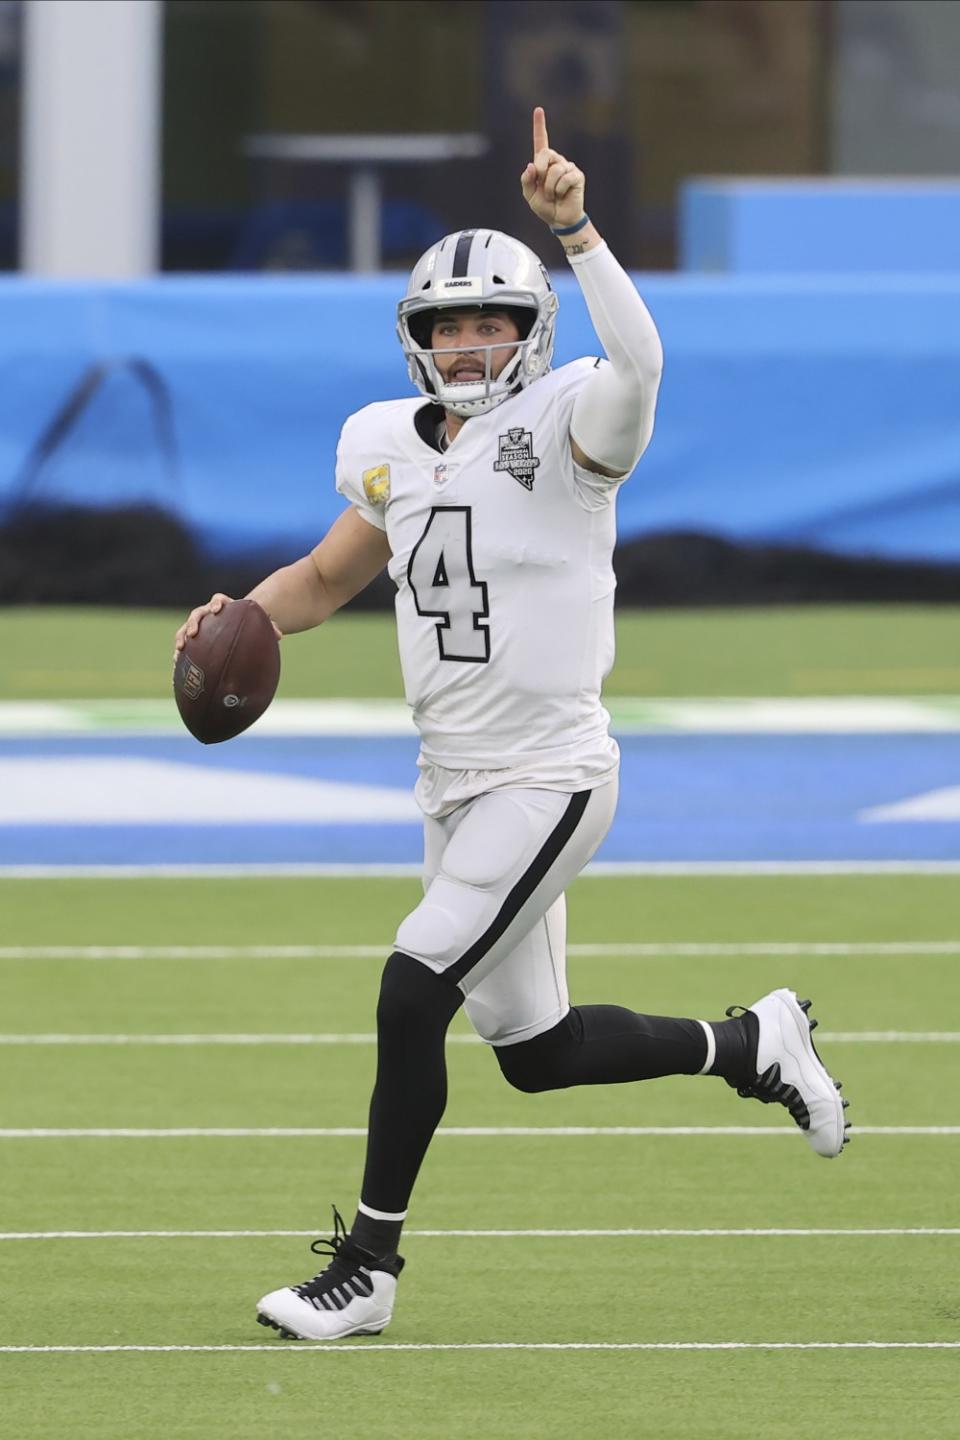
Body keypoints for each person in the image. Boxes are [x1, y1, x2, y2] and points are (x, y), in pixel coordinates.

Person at [175, 107, 849, 1343]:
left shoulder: (574, 421)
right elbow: (325, 580)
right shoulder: (385, 444)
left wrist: (579, 232)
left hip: (551, 771)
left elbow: (642, 364)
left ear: (534, 334)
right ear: (417, 339)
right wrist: (243, 612)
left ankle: (367, 1271)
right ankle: (754, 1041)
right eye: (451, 324)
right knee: (532, 1051)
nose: (473, 343)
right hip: (454, 779)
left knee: (409, 984)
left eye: (496, 321)